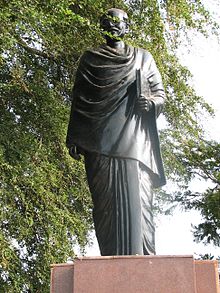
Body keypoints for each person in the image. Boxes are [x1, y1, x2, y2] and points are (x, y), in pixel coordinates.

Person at [66, 8, 166, 256]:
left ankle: (144, 261)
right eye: (107, 21)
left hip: (135, 142)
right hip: (98, 142)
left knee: (141, 203)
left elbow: (160, 94)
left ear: (126, 27)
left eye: (118, 22)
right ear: (102, 26)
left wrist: (151, 103)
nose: (113, 25)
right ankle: (111, 262)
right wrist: (74, 137)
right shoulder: (90, 58)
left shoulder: (143, 58)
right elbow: (79, 99)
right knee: (105, 204)